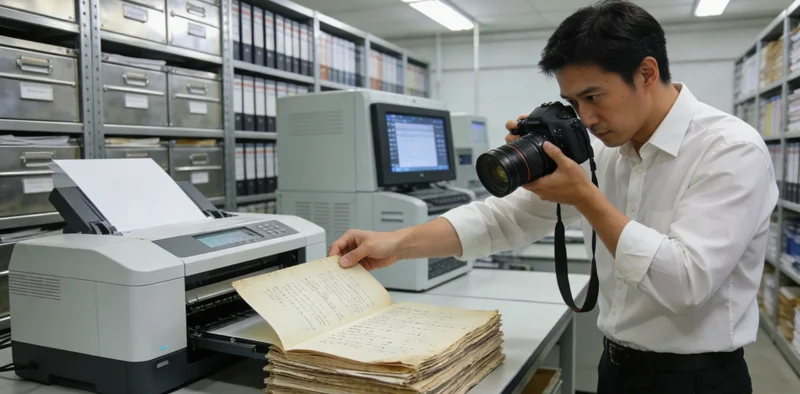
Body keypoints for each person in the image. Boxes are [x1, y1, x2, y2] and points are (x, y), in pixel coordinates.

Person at [328, 1, 777, 393]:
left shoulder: (729, 150)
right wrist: (397, 243)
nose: (587, 117)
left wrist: (585, 197)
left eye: (594, 96)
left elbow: (687, 282)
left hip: (696, 380)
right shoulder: (606, 149)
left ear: (646, 72)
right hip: (616, 368)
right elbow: (502, 220)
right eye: (573, 102)